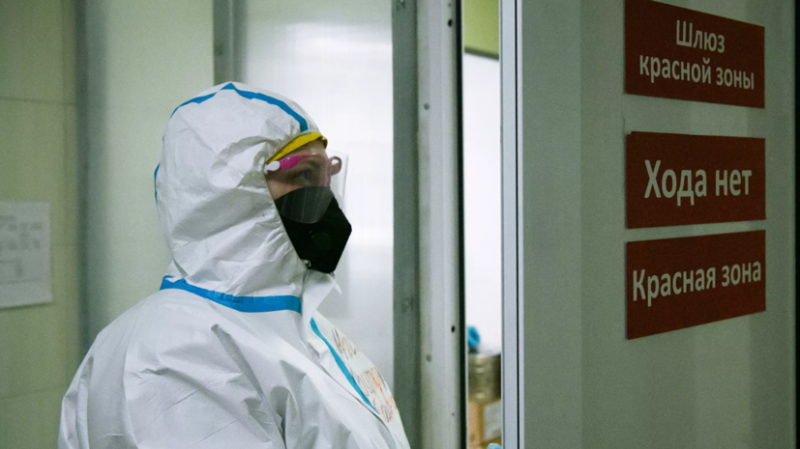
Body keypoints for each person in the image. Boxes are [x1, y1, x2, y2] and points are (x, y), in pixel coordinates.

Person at [58, 82, 410, 449]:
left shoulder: (295, 324)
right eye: (304, 175)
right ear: (230, 193)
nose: (324, 196)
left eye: (324, 175)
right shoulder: (177, 351)